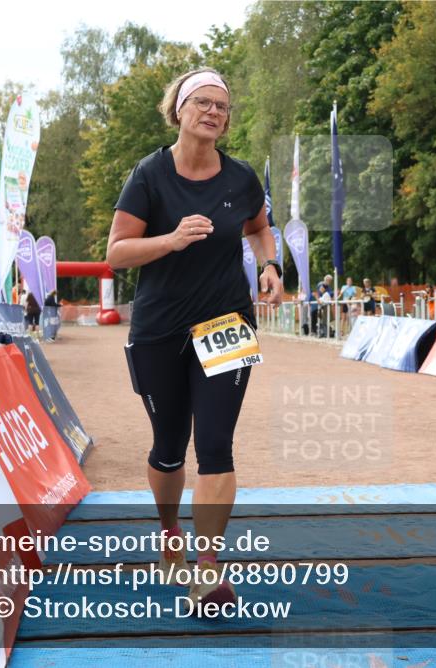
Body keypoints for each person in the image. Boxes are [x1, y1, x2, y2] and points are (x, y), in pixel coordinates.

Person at [106, 67, 283, 610]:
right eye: (202, 103)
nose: (212, 112)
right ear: (179, 110)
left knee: (214, 446)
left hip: (226, 323)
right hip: (160, 329)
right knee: (168, 448)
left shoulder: (241, 178)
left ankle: (207, 570)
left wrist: (270, 265)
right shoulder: (149, 175)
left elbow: (257, 226)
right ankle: (167, 531)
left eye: (221, 107)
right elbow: (116, 252)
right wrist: (172, 239)